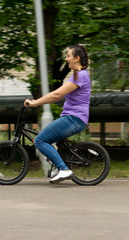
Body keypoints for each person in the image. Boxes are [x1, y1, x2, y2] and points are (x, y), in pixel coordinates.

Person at [24, 44, 91, 184]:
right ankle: (59, 167)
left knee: (40, 140)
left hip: (73, 118)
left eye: (68, 56)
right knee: (52, 139)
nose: (66, 59)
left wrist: (35, 103)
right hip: (74, 117)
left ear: (77, 58)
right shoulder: (78, 75)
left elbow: (57, 95)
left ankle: (63, 169)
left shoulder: (80, 75)